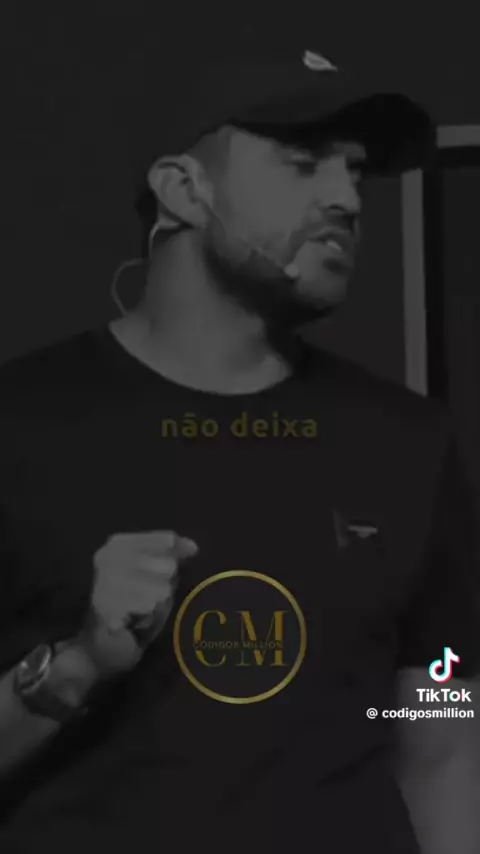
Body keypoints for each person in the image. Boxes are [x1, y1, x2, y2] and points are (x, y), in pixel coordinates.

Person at [0, 45, 478, 854]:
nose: (346, 199)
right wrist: (78, 664)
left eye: (355, 174)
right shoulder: (19, 423)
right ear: (183, 190)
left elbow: (442, 733)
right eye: (303, 163)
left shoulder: (409, 442)